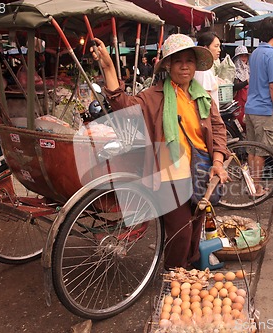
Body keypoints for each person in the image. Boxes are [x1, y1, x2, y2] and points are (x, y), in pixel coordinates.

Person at [90, 34, 230, 270]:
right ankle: (173, 274)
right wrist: (109, 68)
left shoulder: (202, 97)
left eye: (189, 60)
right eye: (178, 61)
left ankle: (190, 274)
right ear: (167, 65)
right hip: (167, 172)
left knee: (196, 225)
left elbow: (217, 129)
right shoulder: (152, 97)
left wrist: (217, 161)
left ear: (196, 65)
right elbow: (122, 104)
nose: (184, 66)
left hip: (200, 169)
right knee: (182, 232)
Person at [245, 16, 273, 197]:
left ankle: (252, 186)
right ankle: (256, 188)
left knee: (252, 151)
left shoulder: (255, 53)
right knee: (261, 152)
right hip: (264, 109)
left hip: (251, 108)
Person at [193, 31, 222, 109]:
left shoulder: (201, 69)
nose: (219, 50)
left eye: (219, 46)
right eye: (216, 46)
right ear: (205, 48)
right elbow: (205, 102)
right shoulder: (204, 72)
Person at [232, 45, 250, 129]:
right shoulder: (233, 70)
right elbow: (233, 87)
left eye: (245, 55)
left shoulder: (248, 69)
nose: (244, 58)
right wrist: (246, 82)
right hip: (237, 102)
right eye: (241, 56)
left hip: (247, 102)